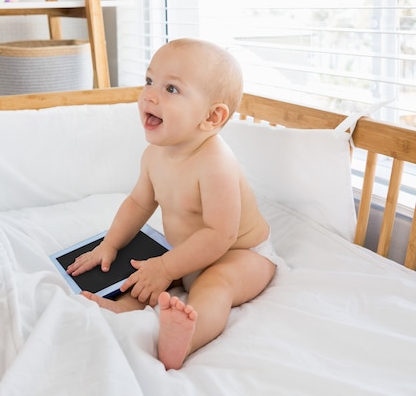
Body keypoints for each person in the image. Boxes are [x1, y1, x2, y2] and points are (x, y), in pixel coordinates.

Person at [67, 38, 280, 370]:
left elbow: (221, 235)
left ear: (212, 117)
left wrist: (168, 267)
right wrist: (109, 245)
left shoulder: (216, 163)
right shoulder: (154, 155)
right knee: (144, 272)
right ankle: (123, 310)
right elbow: (138, 203)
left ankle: (186, 338)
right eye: (150, 81)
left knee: (215, 286)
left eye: (172, 89)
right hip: (187, 253)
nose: (150, 95)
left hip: (240, 255)